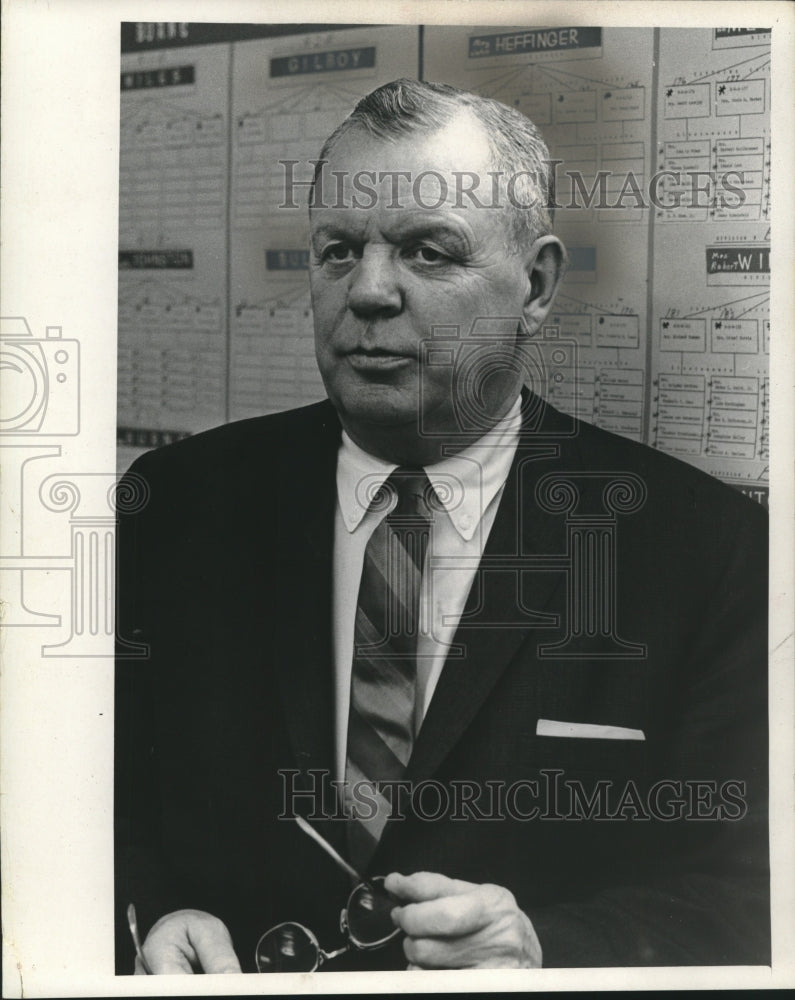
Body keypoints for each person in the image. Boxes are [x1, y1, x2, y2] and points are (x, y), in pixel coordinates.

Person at [115, 79, 769, 973]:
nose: (370, 291)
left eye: (427, 253)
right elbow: (93, 800)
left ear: (534, 286)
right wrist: (154, 910)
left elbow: (748, 898)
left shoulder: (705, 550)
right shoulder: (178, 506)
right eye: (338, 250)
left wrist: (547, 947)